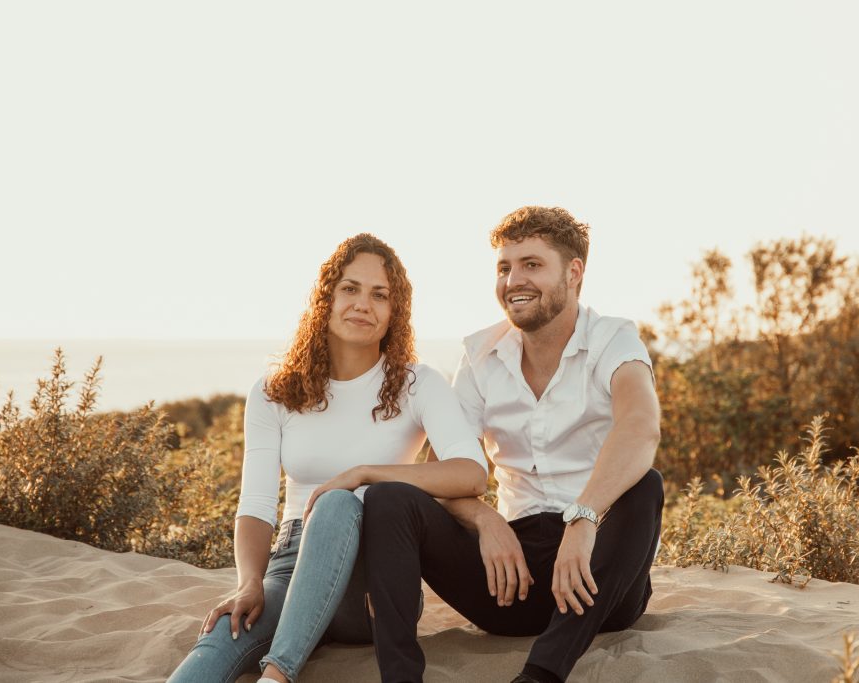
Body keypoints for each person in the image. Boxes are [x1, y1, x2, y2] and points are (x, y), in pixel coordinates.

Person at [168, 234, 487, 683]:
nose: (363, 304)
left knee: (339, 502)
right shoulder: (273, 392)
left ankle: (277, 675)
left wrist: (362, 475)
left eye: (380, 295)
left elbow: (472, 473)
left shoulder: (417, 384)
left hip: (373, 580)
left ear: (395, 312)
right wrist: (249, 583)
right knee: (222, 636)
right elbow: (257, 505)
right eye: (350, 289)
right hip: (290, 564)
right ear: (327, 297)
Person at [362, 206, 663, 683]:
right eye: (504, 267)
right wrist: (485, 519)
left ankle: (541, 675)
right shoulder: (481, 356)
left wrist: (583, 521)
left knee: (645, 486)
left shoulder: (614, 340)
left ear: (574, 272)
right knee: (390, 498)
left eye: (531, 265)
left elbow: (641, 427)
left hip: (597, 579)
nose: (512, 280)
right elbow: (444, 471)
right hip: (509, 579)